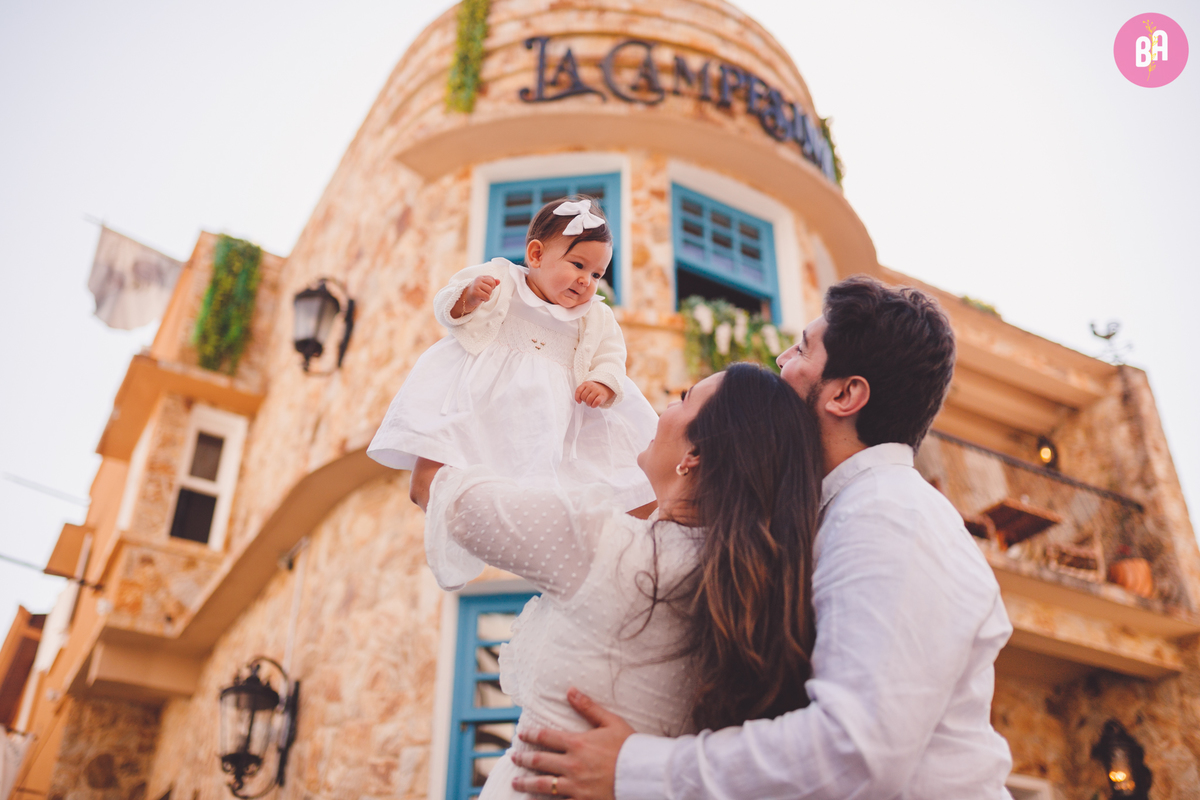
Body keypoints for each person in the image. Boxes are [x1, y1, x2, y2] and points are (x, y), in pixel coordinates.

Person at [509, 276, 1016, 799]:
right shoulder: (824, 513)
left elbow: (854, 750)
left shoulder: (890, 517)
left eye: (802, 348)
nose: (780, 358)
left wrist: (637, 768)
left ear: (844, 394)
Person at [408, 363, 825, 800]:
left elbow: (430, 485)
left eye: (684, 398)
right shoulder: (752, 591)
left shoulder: (599, 544)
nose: (666, 405)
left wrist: (474, 360)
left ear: (694, 456)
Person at [369, 196, 659, 519]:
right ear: (536, 255)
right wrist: (468, 297)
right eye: (578, 265)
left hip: (557, 414)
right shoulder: (501, 279)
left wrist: (603, 382)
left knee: (598, 480)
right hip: (486, 399)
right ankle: (448, 509)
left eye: (596, 274)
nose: (586, 281)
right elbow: (446, 308)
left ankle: (600, 532)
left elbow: (611, 355)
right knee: (440, 460)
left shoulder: (595, 316)